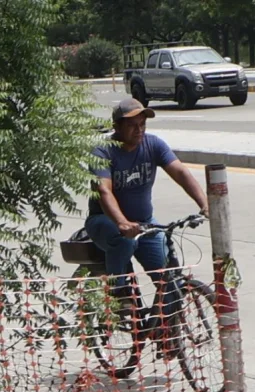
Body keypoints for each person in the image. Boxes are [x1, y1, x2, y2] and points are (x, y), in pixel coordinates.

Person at [85, 99, 208, 317]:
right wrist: (122, 223)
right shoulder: (103, 152)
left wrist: (205, 205)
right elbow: (104, 191)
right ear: (117, 127)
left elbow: (180, 172)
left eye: (142, 124)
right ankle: (119, 292)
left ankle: (165, 329)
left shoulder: (153, 145)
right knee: (125, 241)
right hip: (105, 221)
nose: (139, 129)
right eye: (132, 125)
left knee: (167, 275)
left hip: (145, 223)